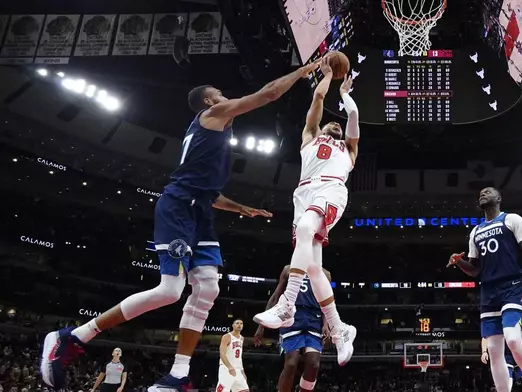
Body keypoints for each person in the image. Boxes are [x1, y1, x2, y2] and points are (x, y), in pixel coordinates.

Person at [40, 60, 322, 391]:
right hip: (178, 207)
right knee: (170, 290)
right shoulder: (211, 117)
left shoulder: (216, 132)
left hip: (199, 210)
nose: (224, 96)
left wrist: (241, 208)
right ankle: (72, 336)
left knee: (208, 288)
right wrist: (306, 70)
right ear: (208, 101)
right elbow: (268, 94)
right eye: (219, 93)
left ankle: (177, 374)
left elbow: (211, 195)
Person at [253, 55, 359, 366]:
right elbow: (317, 97)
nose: (336, 124)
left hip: (330, 191)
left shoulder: (349, 150)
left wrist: (345, 94)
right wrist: (326, 77)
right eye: (332, 122)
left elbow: (352, 116)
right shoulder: (309, 138)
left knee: (304, 231)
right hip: (304, 193)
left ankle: (287, 304)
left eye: (338, 125)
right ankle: (339, 328)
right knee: (313, 268)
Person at [447, 187, 522, 392]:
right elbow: (474, 270)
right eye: (480, 192)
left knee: (513, 338)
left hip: (513, 285)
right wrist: (459, 261)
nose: (482, 194)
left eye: (488, 192)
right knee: (493, 349)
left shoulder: (512, 219)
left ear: (499, 198)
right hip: (489, 291)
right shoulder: (476, 232)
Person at [254, 266, 331, 392]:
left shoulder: (325, 273)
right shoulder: (289, 269)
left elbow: (327, 302)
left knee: (313, 364)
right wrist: (261, 326)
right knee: (291, 364)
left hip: (314, 318)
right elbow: (275, 297)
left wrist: (326, 324)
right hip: (291, 316)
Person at [217, 319, 248, 392]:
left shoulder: (242, 338)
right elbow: (222, 353)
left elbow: (239, 357)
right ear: (233, 325)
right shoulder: (227, 336)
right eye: (237, 323)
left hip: (237, 369)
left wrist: (242, 371)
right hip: (226, 368)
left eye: (241, 323)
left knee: (244, 390)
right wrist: (229, 367)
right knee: (222, 390)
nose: (239, 325)